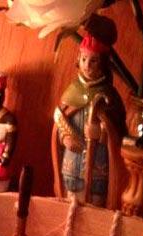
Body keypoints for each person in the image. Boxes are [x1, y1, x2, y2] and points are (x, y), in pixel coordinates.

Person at [51, 18, 127, 209]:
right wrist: (64, 137)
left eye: (93, 61)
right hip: (72, 163)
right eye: (84, 59)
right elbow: (59, 123)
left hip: (97, 167)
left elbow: (119, 133)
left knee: (95, 206)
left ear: (103, 63)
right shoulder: (71, 91)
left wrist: (102, 132)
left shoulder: (110, 96)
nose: (87, 66)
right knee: (69, 204)